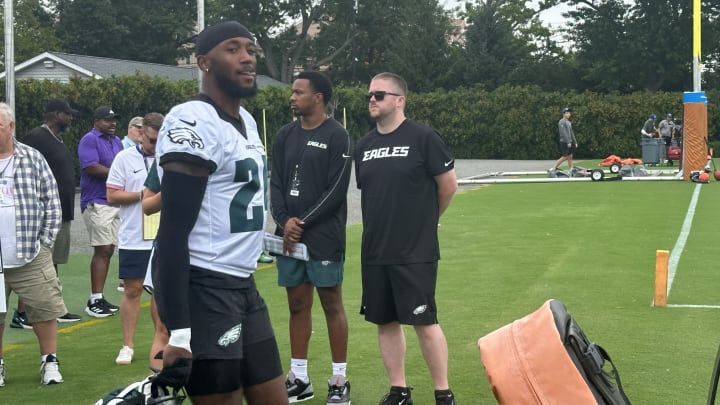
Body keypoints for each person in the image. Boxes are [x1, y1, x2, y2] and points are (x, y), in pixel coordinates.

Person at [151, 21, 288, 405]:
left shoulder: (245, 120)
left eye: (251, 49)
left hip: (243, 284)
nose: (247, 58)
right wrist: (177, 332)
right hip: (205, 286)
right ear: (204, 62)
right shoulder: (192, 119)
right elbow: (172, 231)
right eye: (233, 49)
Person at [353, 72, 459, 405]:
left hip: (414, 250)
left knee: (424, 322)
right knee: (385, 321)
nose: (372, 99)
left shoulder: (423, 137)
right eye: (370, 94)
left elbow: (449, 185)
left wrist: (427, 222)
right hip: (375, 250)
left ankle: (443, 393)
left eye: (380, 94)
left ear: (400, 100)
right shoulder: (364, 145)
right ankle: (399, 391)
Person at [270, 70, 352, 404]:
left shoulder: (338, 136)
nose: (292, 97)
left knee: (332, 303)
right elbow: (275, 184)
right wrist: (283, 220)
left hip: (323, 237)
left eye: (298, 92)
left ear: (317, 97)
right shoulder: (284, 135)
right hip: (289, 237)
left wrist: (299, 222)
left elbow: (336, 191)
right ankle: (299, 378)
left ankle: (338, 380)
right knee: (296, 305)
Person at [0, 102, 67, 386]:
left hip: (30, 252)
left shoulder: (32, 157)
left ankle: (49, 362)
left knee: (44, 309)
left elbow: (52, 201)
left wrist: (45, 243)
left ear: (11, 126)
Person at [13, 99, 83, 328]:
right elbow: (21, 166)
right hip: (45, 212)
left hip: (61, 210)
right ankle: (23, 313)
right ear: (54, 114)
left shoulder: (56, 138)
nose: (71, 118)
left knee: (53, 263)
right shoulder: (37, 137)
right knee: (41, 264)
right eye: (67, 114)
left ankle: (52, 307)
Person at [106, 112, 163, 365]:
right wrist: (143, 195)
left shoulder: (170, 158)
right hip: (134, 235)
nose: (155, 146)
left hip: (163, 235)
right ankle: (127, 345)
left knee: (161, 292)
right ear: (140, 134)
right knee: (133, 289)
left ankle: (160, 342)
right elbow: (112, 196)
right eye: (151, 140)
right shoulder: (123, 158)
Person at [78, 106, 123, 318]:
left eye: (114, 120)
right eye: (107, 120)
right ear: (97, 121)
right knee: (103, 248)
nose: (112, 123)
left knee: (109, 249)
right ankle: (94, 299)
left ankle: (99, 296)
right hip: (96, 200)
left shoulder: (116, 141)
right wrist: (117, 175)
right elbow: (90, 167)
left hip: (112, 200)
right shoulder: (90, 139)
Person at [141, 158, 168, 374]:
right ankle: (159, 393)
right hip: (171, 249)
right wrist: (170, 191)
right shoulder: (165, 155)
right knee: (164, 329)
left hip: (214, 253)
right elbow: (147, 204)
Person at [549, 107, 578, 172]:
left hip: (570, 142)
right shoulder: (561, 122)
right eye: (567, 113)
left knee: (570, 156)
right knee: (564, 156)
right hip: (564, 142)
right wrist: (568, 142)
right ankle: (553, 168)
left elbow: (571, 133)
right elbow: (563, 132)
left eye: (569, 113)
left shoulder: (568, 122)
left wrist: (575, 142)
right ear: (563, 114)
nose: (568, 114)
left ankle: (571, 169)